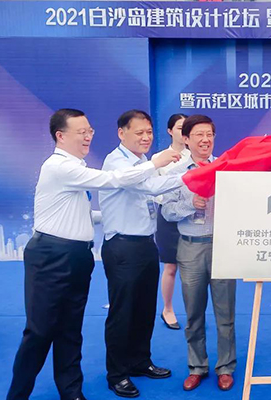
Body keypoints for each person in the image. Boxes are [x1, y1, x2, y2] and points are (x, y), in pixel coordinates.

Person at [6, 109, 181, 400]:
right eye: (81, 132)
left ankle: (71, 391)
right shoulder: (59, 167)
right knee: (40, 331)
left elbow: (81, 213)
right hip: (51, 256)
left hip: (78, 255)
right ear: (60, 136)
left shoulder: (76, 169)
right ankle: (17, 394)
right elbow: (112, 180)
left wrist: (110, 216)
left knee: (70, 328)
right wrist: (155, 163)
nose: (88, 136)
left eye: (90, 131)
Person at [99, 110, 188, 398]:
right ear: (121, 133)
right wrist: (157, 164)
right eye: (139, 132)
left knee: (144, 308)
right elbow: (141, 183)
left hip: (146, 244)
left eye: (149, 132)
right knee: (122, 311)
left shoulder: (141, 163)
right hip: (122, 246)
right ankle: (117, 374)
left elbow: (153, 187)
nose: (146, 137)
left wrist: (187, 175)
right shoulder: (116, 162)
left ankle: (140, 361)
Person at [161, 114, 237, 392]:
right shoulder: (175, 172)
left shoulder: (226, 169)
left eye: (209, 135)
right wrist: (190, 205)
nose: (205, 140)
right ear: (186, 139)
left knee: (225, 313)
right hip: (190, 246)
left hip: (222, 246)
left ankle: (226, 367)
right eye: (199, 135)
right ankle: (197, 366)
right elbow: (167, 212)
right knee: (194, 313)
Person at [153, 113, 191, 330]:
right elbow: (154, 189)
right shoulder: (159, 158)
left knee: (193, 268)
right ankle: (167, 309)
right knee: (170, 266)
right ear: (169, 131)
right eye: (179, 127)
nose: (183, 131)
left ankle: (194, 313)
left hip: (193, 216)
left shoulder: (195, 156)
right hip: (168, 217)